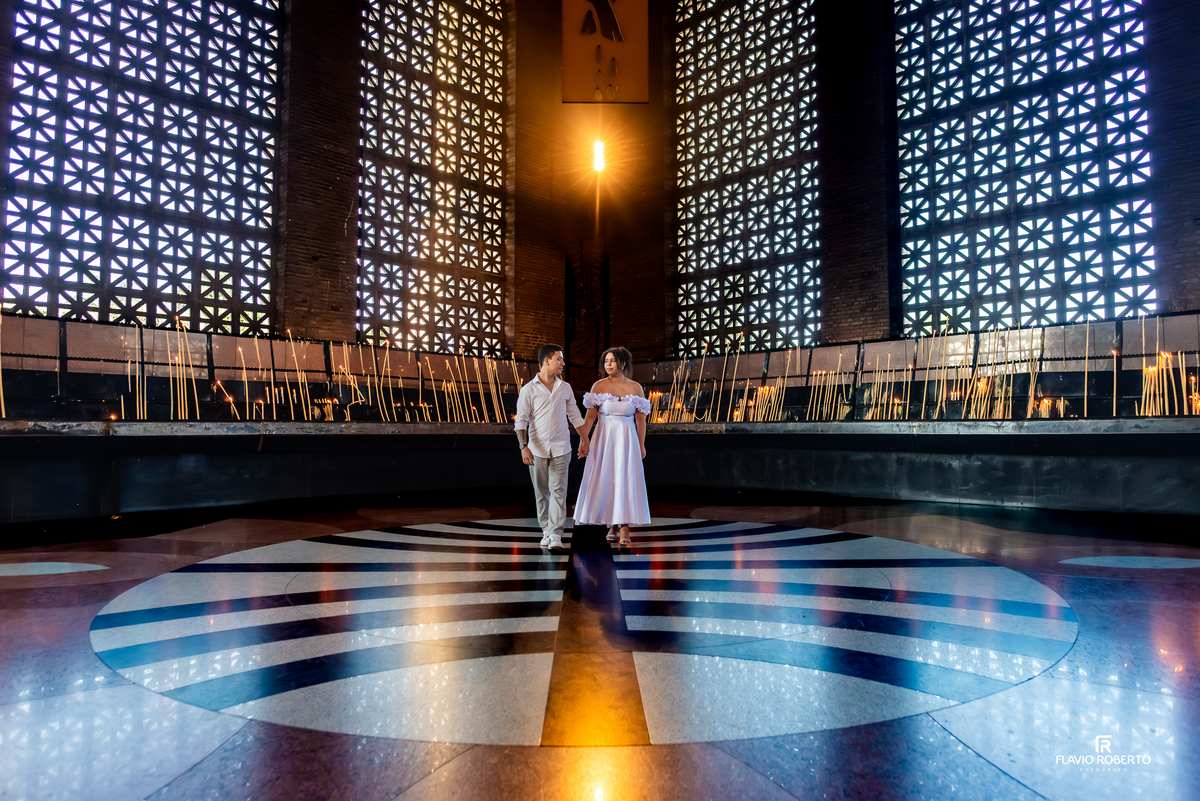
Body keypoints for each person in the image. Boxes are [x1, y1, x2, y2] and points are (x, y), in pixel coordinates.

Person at [573, 346, 651, 548]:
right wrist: (585, 440)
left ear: (623, 363)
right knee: (607, 478)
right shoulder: (598, 385)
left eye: (612, 361)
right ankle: (612, 523)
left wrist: (641, 445)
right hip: (604, 438)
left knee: (625, 478)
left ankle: (624, 525)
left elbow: (641, 421)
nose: (608, 364)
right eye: (605, 361)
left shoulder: (636, 388)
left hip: (627, 438)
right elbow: (590, 416)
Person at [514, 344, 590, 551]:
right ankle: (545, 530)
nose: (563, 363)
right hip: (536, 449)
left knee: (558, 491)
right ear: (546, 361)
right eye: (560, 359)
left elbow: (575, 415)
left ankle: (556, 534)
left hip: (561, 448)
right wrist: (523, 446)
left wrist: (586, 440)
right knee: (541, 492)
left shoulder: (565, 388)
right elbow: (521, 422)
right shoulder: (528, 390)